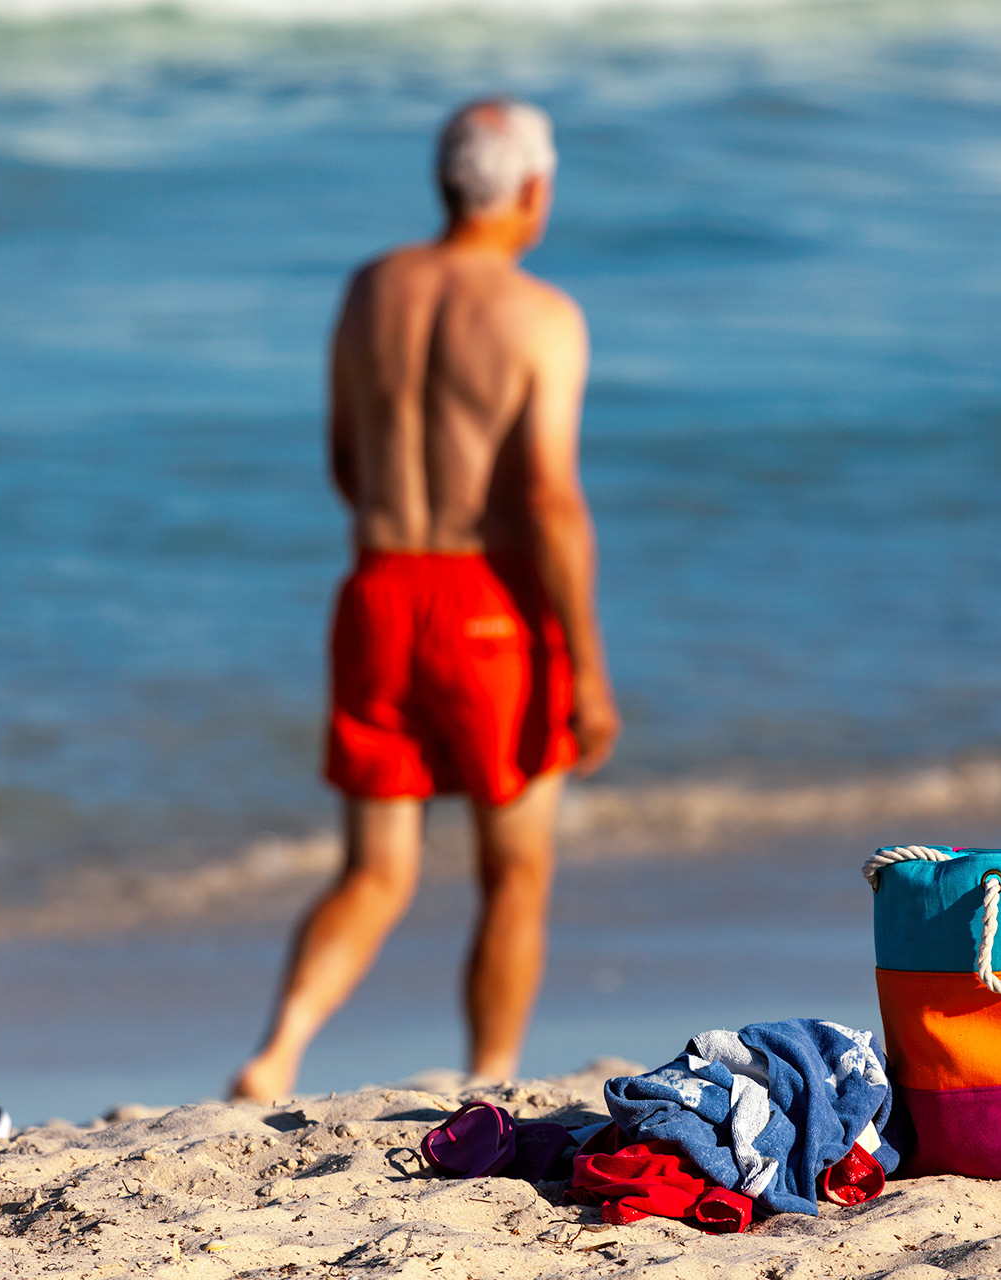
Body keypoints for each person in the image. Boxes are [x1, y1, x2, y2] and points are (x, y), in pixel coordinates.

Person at [233, 99, 619, 1101]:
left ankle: (276, 1050)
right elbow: (548, 498)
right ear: (531, 191)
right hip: (488, 601)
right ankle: (491, 1075)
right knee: (515, 866)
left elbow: (343, 459)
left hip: (377, 586)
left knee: (375, 869)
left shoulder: (371, 290)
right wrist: (587, 663)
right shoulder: (541, 316)